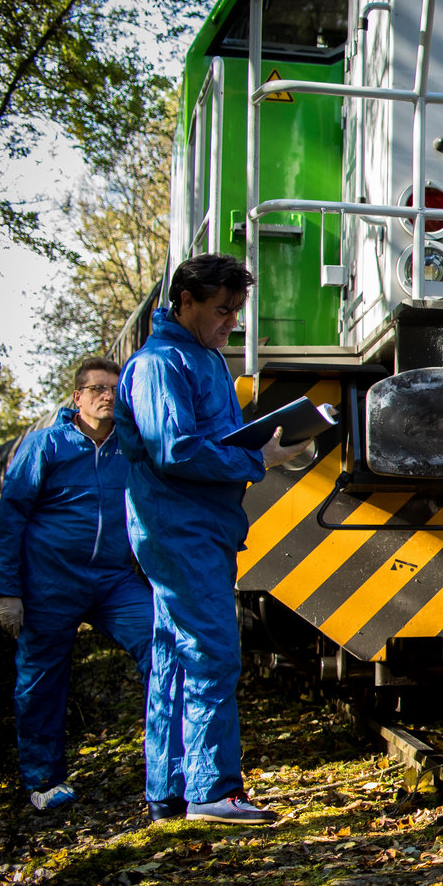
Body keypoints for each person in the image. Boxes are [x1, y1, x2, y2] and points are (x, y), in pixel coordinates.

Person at [115, 254, 310, 824]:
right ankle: (213, 791)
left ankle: (170, 790)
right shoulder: (161, 363)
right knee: (211, 653)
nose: (232, 322)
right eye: (223, 310)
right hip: (182, 528)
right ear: (186, 302)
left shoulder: (198, 358)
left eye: (236, 310)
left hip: (196, 525)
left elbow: (203, 440)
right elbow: (174, 450)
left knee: (176, 656)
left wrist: (261, 445)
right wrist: (258, 458)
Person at [0, 356, 154, 812]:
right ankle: (44, 781)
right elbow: (9, 519)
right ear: (78, 397)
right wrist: (8, 592)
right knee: (40, 681)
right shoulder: (46, 445)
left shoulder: (131, 446)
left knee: (163, 644)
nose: (108, 396)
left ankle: (168, 765)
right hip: (50, 584)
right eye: (98, 389)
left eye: (115, 389)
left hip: (114, 581)